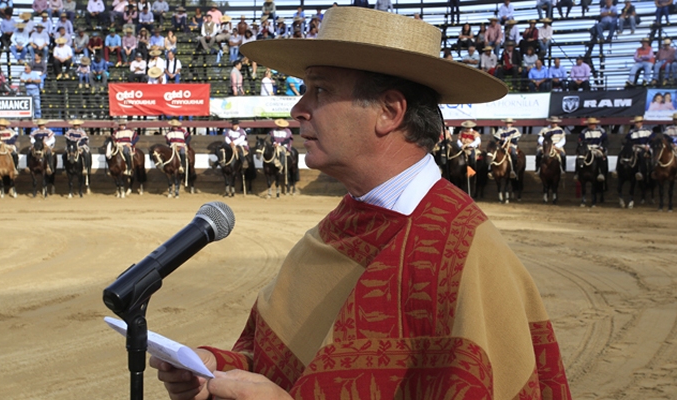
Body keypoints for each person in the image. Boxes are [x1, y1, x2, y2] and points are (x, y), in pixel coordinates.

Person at [150, 8, 570, 400]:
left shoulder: (467, 257)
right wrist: (215, 369)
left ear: (388, 112)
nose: (298, 109)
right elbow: (277, 365)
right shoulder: (337, 227)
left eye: (319, 91)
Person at [578, 117, 608, 181]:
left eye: (592, 124)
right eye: (589, 124)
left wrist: (601, 148)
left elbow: (605, 141)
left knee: (600, 157)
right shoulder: (584, 131)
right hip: (587, 148)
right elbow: (580, 141)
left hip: (597, 148)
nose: (591, 125)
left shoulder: (601, 131)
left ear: (595, 124)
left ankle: (601, 172)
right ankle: (577, 173)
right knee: (579, 157)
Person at [625, 116, 653, 180]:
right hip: (635, 147)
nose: (637, 124)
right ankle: (624, 170)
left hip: (644, 147)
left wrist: (648, 145)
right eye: (636, 122)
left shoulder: (647, 130)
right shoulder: (632, 131)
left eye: (638, 122)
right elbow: (628, 139)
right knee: (625, 154)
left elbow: (651, 139)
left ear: (641, 123)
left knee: (641, 155)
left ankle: (642, 171)